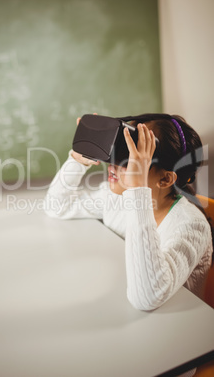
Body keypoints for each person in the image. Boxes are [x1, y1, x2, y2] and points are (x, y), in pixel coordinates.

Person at [44, 113, 213, 312]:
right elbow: (56, 206)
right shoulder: (117, 198)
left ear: (166, 179)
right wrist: (78, 160)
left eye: (131, 160)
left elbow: (147, 298)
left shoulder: (191, 226)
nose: (114, 164)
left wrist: (137, 189)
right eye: (121, 150)